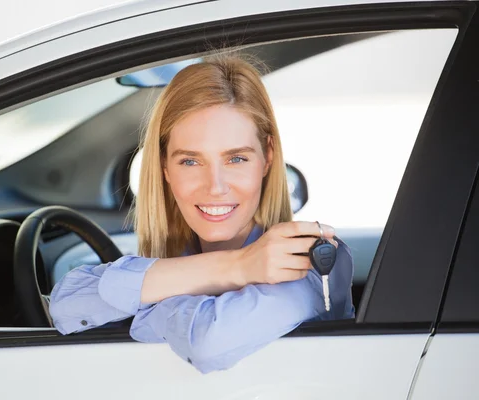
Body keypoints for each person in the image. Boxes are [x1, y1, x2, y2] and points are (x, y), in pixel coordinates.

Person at [49, 54, 355, 374]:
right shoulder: (181, 254)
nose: (215, 187)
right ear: (165, 166)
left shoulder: (310, 260)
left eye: (236, 159)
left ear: (267, 157)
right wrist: (238, 266)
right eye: (191, 161)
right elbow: (67, 305)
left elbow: (208, 341)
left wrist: (155, 297)